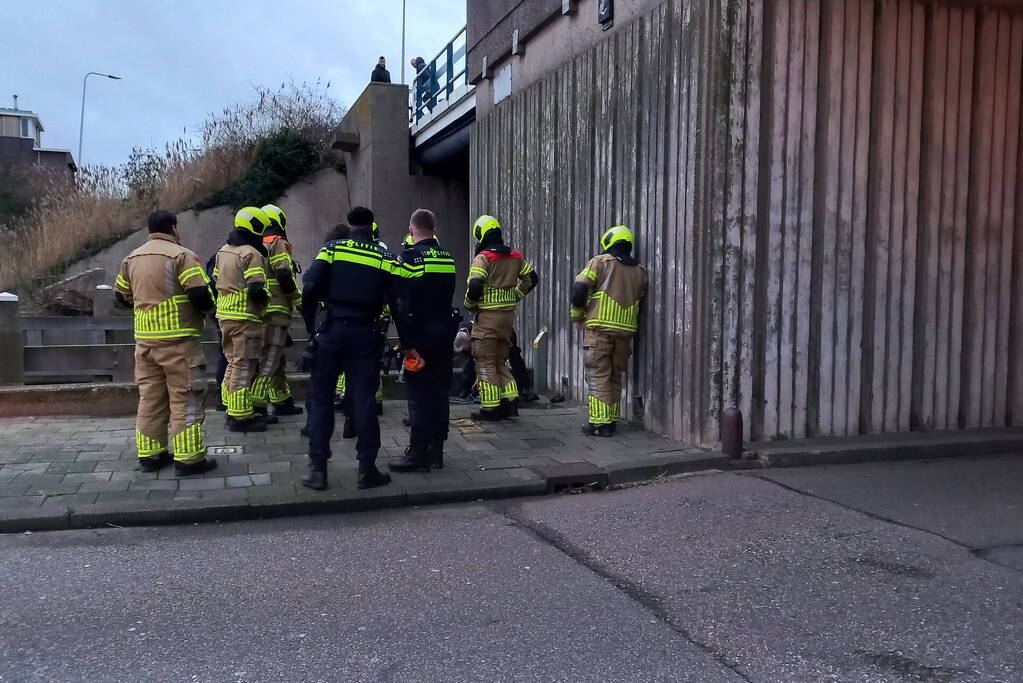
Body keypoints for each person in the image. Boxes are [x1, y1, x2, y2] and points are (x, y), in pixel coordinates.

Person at [301, 206, 406, 491]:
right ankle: (366, 469)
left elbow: (308, 285)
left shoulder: (332, 249)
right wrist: (407, 345)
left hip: (331, 333)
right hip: (366, 336)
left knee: (322, 399)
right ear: (372, 227)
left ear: (349, 224)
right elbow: (399, 305)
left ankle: (318, 470)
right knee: (365, 402)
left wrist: (312, 328)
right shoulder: (386, 257)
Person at [113, 210, 217, 475]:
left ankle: (151, 456)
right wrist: (206, 312)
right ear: (173, 227)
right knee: (186, 398)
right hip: (179, 342)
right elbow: (199, 294)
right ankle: (189, 459)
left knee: (151, 398)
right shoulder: (181, 255)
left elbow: (120, 296)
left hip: (145, 343)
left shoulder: (131, 258)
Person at [388, 209, 460, 473]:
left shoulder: (408, 258)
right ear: (435, 228)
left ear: (411, 229)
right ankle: (436, 452)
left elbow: (399, 303)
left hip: (420, 335)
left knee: (419, 393)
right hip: (444, 334)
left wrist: (408, 343)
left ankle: (417, 453)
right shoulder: (448, 257)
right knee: (440, 393)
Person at [570, 225, 648, 436]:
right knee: (615, 375)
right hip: (626, 331)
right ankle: (611, 419)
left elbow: (579, 289)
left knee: (597, 374)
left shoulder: (600, 262)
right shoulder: (640, 272)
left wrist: (577, 316)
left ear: (609, 242)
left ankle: (598, 423)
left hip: (600, 328)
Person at [463, 215, 539, 420]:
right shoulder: (514, 256)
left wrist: (469, 304)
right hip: (507, 318)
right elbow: (532, 278)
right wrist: (515, 295)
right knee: (499, 362)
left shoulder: (484, 258)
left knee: (484, 361)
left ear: (480, 235)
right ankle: (511, 401)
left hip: (487, 318)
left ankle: (490, 409)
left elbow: (476, 284)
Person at [214, 206, 272, 433]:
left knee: (233, 362)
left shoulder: (224, 251)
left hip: (225, 315)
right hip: (245, 316)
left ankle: (231, 405)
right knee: (244, 364)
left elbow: (216, 280)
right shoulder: (251, 253)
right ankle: (240, 416)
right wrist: (266, 300)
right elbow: (256, 289)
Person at [250, 204, 303, 421]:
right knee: (269, 359)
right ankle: (257, 406)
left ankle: (281, 400)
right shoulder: (277, 242)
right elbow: (284, 275)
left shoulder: (253, 244)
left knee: (276, 357)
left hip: (260, 309)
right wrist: (299, 301)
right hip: (277, 308)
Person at [336, 220, 388, 437]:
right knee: (371, 363)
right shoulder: (382, 251)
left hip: (363, 318)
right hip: (376, 316)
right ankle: (368, 402)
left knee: (357, 363)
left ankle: (355, 406)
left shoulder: (354, 251)